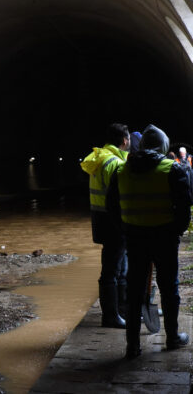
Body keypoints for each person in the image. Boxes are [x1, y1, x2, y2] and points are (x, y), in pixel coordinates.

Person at [107, 124, 191, 359]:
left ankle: (132, 346)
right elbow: (185, 208)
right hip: (164, 237)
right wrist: (175, 231)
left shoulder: (122, 171)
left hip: (135, 238)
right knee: (169, 288)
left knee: (135, 290)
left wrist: (125, 228)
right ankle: (172, 337)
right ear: (164, 146)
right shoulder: (172, 170)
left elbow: (111, 207)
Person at [81, 123, 130, 328]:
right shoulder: (114, 163)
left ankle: (119, 311)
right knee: (112, 270)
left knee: (116, 267)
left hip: (100, 220)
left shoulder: (99, 159)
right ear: (124, 140)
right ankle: (111, 316)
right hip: (113, 222)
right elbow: (120, 197)